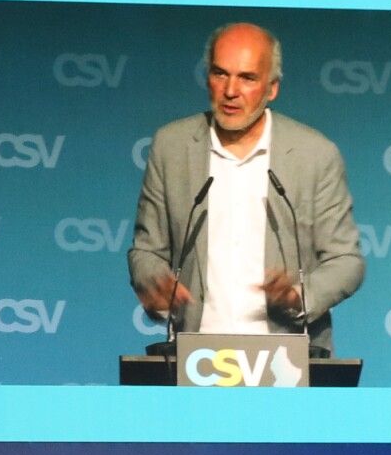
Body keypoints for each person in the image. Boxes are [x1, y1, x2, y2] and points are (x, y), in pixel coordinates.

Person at [129, 22, 363, 357]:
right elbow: (146, 250)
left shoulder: (315, 154)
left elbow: (346, 260)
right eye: (220, 74)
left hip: (286, 356)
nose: (230, 90)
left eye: (247, 78)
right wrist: (155, 284)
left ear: (272, 88)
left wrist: (299, 296)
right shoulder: (172, 146)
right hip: (197, 357)